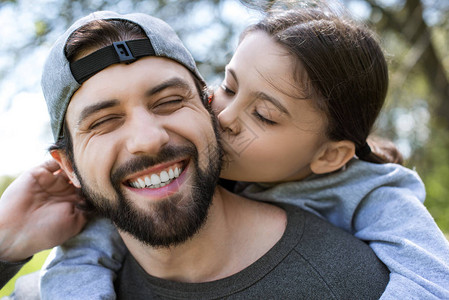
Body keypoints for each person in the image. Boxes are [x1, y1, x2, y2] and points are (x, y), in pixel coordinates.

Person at [34, 4, 449, 300]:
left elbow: (433, 280)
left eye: (265, 116)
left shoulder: (373, 195)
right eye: (228, 87)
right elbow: (84, 253)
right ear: (68, 166)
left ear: (327, 156)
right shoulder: (174, 184)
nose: (225, 116)